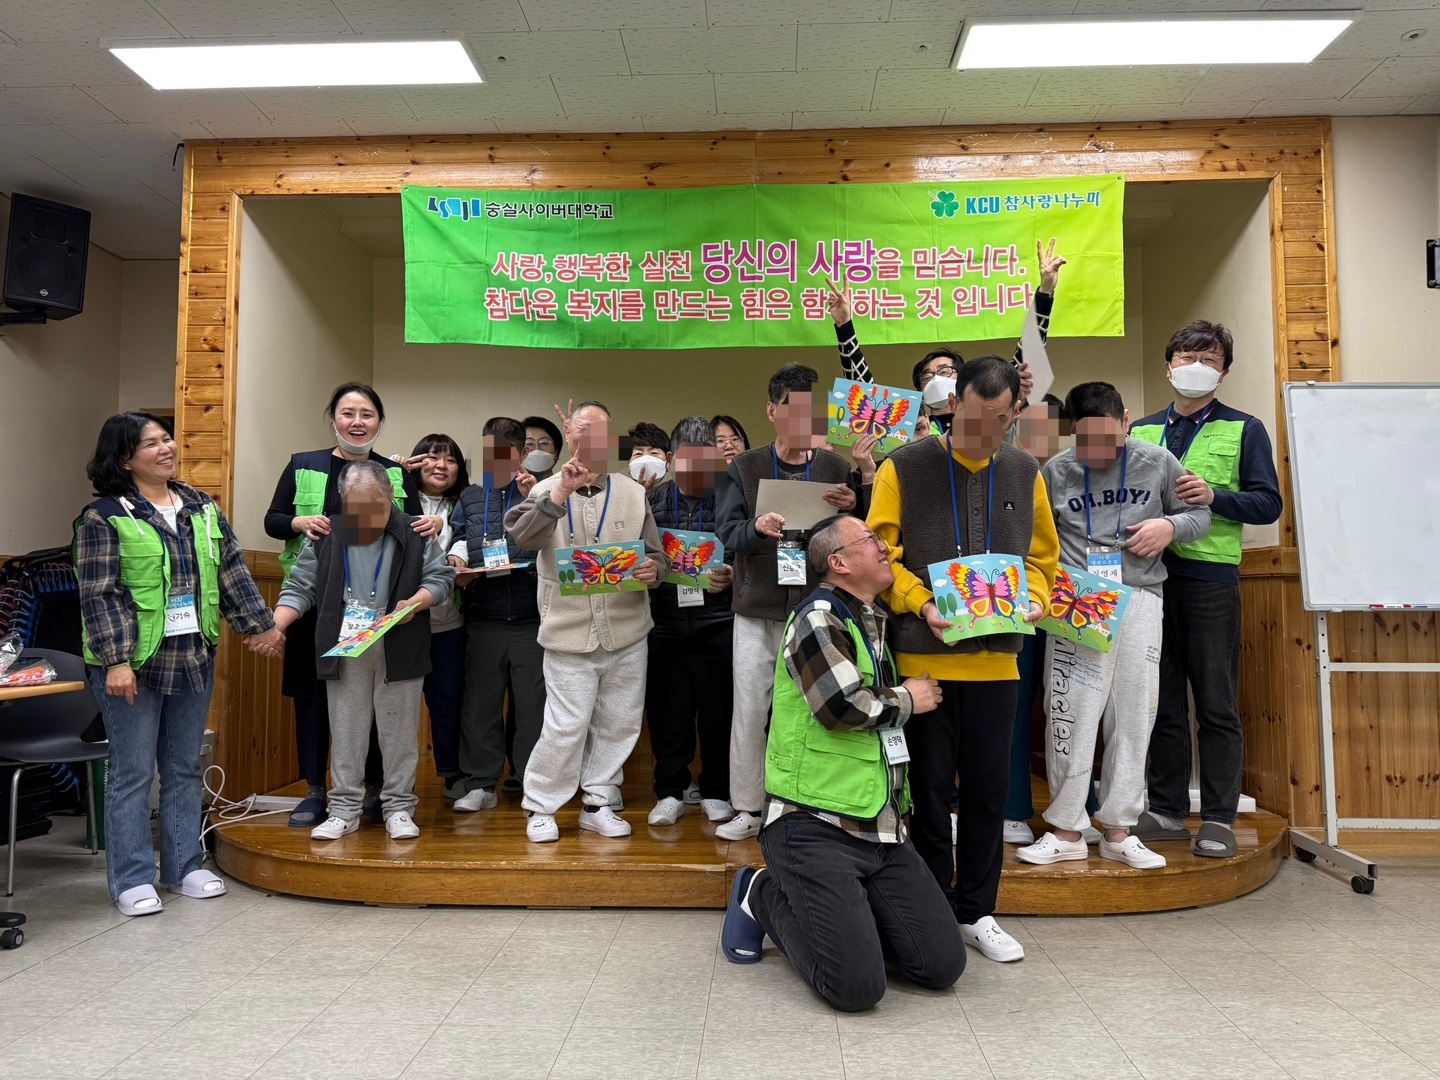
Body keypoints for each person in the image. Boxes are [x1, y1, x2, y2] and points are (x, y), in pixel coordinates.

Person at [721, 515, 964, 1011]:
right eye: (871, 539)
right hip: (813, 824)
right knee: (855, 989)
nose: (885, 547)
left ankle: (851, 916)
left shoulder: (874, 619)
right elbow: (839, 707)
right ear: (839, 562)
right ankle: (760, 892)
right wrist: (909, 698)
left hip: (880, 826)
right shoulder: (817, 615)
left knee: (941, 966)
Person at [866, 356, 1059, 963]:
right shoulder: (903, 466)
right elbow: (881, 556)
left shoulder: (1025, 470)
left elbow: (1043, 559)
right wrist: (920, 603)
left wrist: (1036, 599)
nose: (983, 431)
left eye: (998, 421)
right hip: (923, 664)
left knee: (987, 792)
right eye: (972, 418)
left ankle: (977, 911)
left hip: (998, 664)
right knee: (924, 792)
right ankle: (929, 909)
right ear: (953, 404)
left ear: (1015, 413)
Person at [75, 413, 283, 917]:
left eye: (166, 439)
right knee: (132, 772)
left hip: (192, 655)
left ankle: (184, 866)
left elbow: (231, 570)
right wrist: (116, 661)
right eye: (150, 443)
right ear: (125, 459)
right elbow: (100, 595)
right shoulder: (104, 517)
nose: (165, 448)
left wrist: (259, 626)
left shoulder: (201, 508)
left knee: (184, 767)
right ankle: (131, 879)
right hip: (132, 664)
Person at [1017, 382, 1211, 870]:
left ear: (1126, 421)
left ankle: (1120, 830)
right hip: (1077, 600)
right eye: (1087, 440)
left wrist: (1169, 527)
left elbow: (1199, 516)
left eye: (1108, 438)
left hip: (1141, 598)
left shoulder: (1158, 462)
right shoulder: (1055, 471)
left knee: (1134, 714)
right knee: (1071, 715)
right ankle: (1066, 829)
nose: (1099, 450)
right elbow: (1034, 539)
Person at [1130, 321, 1283, 858]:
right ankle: (1165, 810)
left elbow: (1268, 504)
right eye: (1186, 356)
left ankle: (1218, 817)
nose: (1196, 366)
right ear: (1167, 365)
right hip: (1147, 580)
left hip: (1210, 580)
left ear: (1224, 371)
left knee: (1216, 702)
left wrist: (1216, 497)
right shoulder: (1141, 430)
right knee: (1161, 701)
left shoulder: (1245, 428)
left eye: (1209, 358)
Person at [504, 401, 669, 842]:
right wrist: (560, 491)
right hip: (567, 632)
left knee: (619, 723)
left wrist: (654, 570)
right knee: (565, 725)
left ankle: (598, 802)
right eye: (583, 429)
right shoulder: (546, 489)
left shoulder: (633, 491)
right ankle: (541, 805)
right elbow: (524, 539)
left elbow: (656, 556)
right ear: (570, 435)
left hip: (628, 630)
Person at [263, 382, 422, 827]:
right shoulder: (303, 464)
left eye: (367, 414)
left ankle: (380, 794)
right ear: (332, 417)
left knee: (385, 710)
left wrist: (429, 528)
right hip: (319, 605)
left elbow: (411, 530)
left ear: (379, 421)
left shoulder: (395, 472)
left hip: (385, 614)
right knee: (319, 701)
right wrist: (300, 522)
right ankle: (320, 791)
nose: (357, 422)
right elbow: (274, 521)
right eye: (348, 413)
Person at [714, 364, 861, 841]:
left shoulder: (835, 468)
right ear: (772, 411)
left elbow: (857, 537)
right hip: (757, 609)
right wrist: (755, 529)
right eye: (792, 408)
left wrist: (853, 503)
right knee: (750, 710)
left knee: (816, 710)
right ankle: (747, 806)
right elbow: (727, 532)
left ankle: (806, 803)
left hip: (818, 612)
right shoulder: (744, 467)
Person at [272, 461, 453, 842]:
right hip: (346, 644)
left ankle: (399, 807)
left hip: (399, 642)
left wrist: (417, 602)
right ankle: (343, 810)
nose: (366, 519)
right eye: (357, 510)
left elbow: (441, 579)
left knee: (399, 732)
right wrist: (276, 625)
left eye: (376, 508)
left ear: (391, 497)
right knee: (347, 730)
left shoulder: (415, 531)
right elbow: (300, 586)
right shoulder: (327, 534)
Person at [825, 239, 1067, 435]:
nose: (935, 379)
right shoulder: (911, 426)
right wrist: (844, 325)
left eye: (944, 371)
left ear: (963, 379)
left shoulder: (988, 414)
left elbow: (1026, 357)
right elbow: (864, 392)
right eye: (927, 376)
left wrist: (1045, 292)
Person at [1005, 394, 1096, 844]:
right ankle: (1013, 809)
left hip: (1070, 601)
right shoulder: (1001, 469)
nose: (1040, 434)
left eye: (1051, 427)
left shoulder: (1072, 472)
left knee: (1072, 705)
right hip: (1016, 601)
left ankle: (1081, 808)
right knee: (1016, 705)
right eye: (1032, 423)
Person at [641, 417, 737, 827]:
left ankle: (716, 790)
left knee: (719, 715)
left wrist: (733, 572)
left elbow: (746, 550)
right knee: (669, 714)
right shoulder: (651, 500)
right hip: (664, 622)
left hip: (719, 621)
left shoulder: (732, 496)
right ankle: (670, 792)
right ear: (671, 459)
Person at [445, 418, 543, 812]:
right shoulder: (470, 495)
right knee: (480, 708)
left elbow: (558, 541)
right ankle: (481, 783)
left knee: (533, 710)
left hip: (532, 617)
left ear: (522, 453)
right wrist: (456, 559)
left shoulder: (541, 489)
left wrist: (535, 498)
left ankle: (534, 783)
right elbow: (457, 536)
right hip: (483, 616)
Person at [396, 434, 469, 799]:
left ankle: (452, 773)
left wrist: (458, 551)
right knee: (398, 705)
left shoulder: (465, 504)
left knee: (448, 700)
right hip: (403, 621)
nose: (441, 465)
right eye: (432, 457)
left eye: (450, 460)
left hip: (448, 622)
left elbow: (469, 541)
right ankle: (395, 784)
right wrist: (392, 471)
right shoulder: (397, 496)